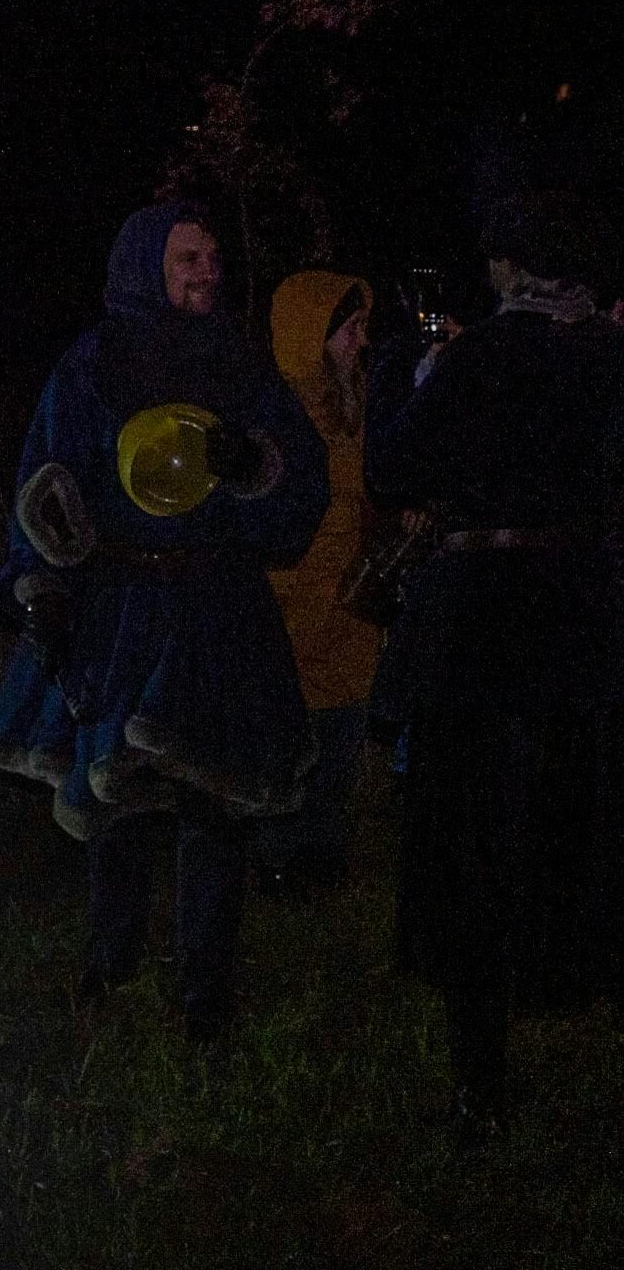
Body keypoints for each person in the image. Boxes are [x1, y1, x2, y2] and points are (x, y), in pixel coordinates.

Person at [0, 203, 327, 1040]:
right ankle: (111, 956)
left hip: (218, 603)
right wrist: (47, 585)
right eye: (187, 257)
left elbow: (297, 473)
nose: (206, 270)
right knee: (117, 794)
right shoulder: (92, 364)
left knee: (213, 797)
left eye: (211, 255)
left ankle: (204, 981)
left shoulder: (242, 366)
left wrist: (259, 471)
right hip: (122, 603)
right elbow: (49, 473)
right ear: (144, 265)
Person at [366, 192, 624, 1141]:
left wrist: (399, 364)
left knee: (473, 845)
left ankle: (482, 1082)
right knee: (582, 818)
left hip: (483, 625)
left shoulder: (473, 359)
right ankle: (571, 985)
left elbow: (392, 468)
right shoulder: (605, 355)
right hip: (585, 615)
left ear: (506, 267)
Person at [259, 271, 380, 889]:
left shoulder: (354, 404)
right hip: (294, 605)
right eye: (349, 329)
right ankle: (279, 865)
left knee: (337, 740)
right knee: (289, 742)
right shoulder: (276, 413)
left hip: (348, 607)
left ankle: (322, 864)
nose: (361, 342)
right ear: (314, 334)